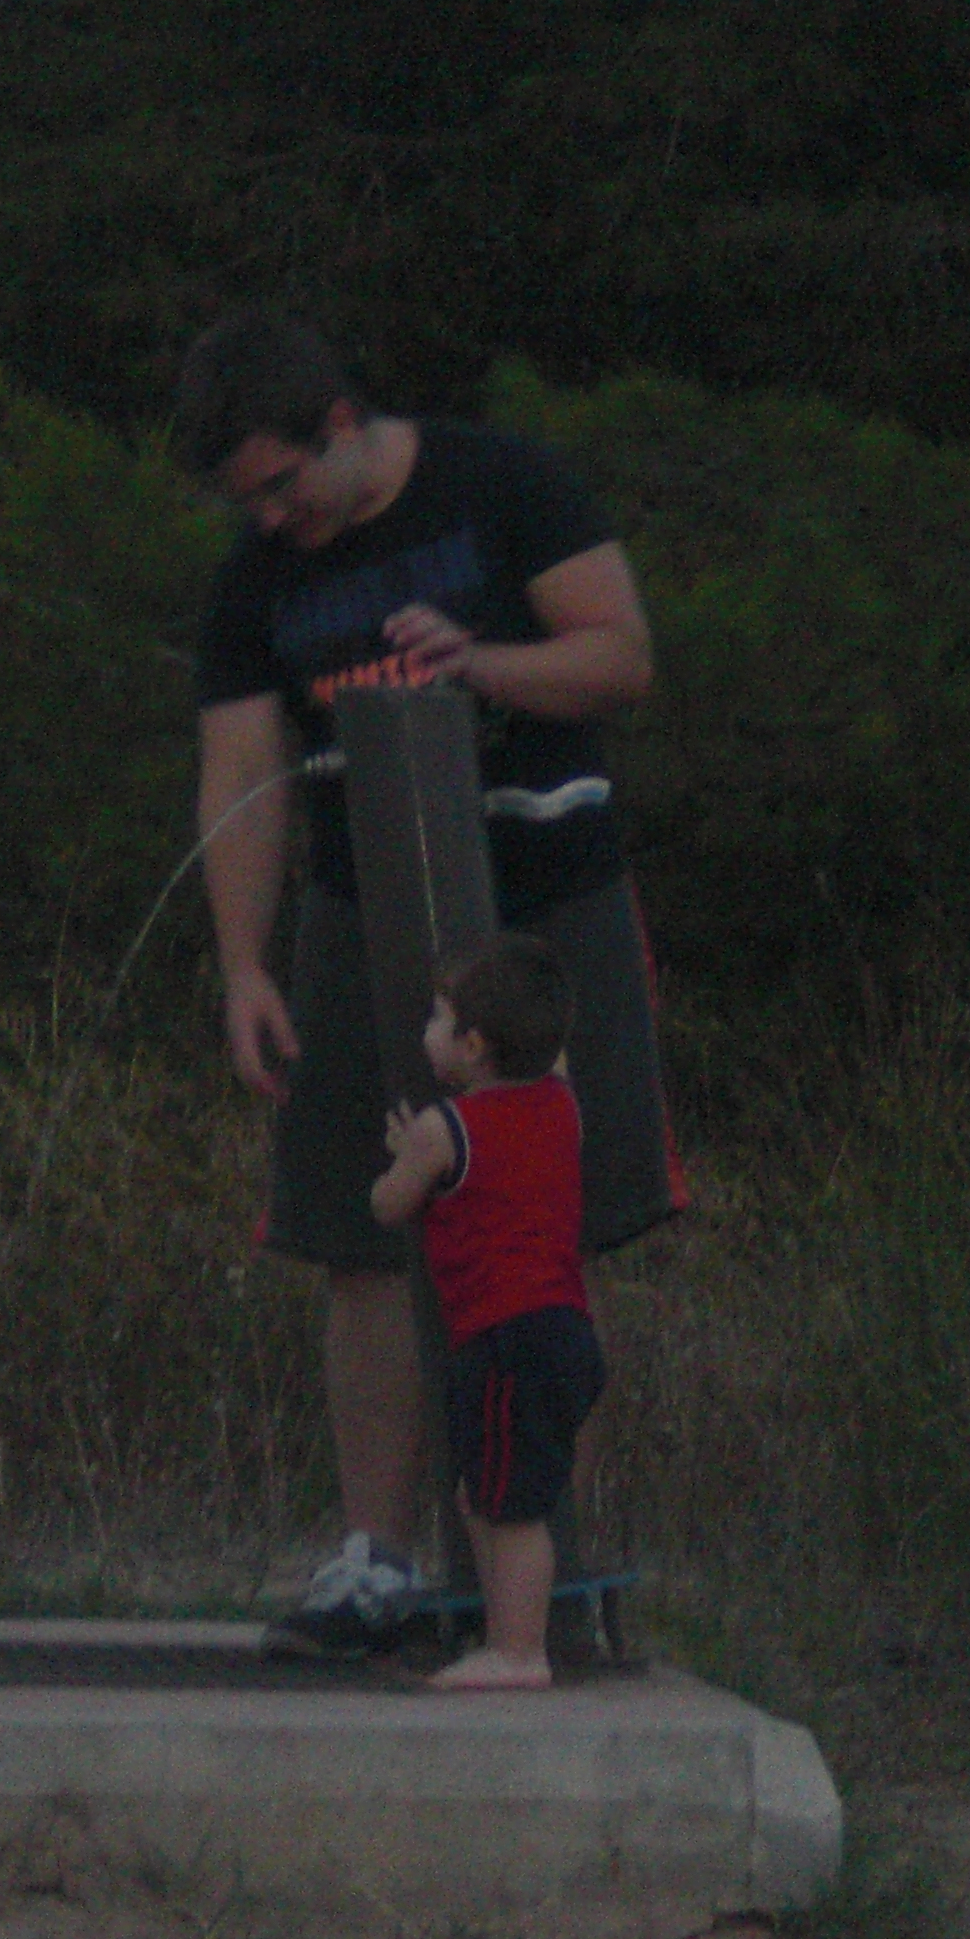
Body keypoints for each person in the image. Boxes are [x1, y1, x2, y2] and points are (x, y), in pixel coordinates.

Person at [178, 307, 679, 1655]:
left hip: (543, 896)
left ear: (342, 425)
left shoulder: (501, 484)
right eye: (247, 501)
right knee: (362, 1229)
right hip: (369, 915)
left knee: (545, 1224)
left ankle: (539, 1559)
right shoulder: (256, 580)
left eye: (285, 485)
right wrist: (244, 966)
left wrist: (482, 664)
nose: (272, 518)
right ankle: (375, 1562)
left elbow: (621, 654)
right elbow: (242, 774)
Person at [371, 939, 606, 1690]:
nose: (428, 1030)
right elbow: (552, 1057)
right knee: (485, 1494)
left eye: (440, 1019)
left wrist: (403, 1155)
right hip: (561, 1327)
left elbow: (388, 1205)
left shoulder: (445, 1129)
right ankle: (506, 1635)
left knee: (513, 1511)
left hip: (509, 1336)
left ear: (472, 1046)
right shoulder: (562, 1105)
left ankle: (519, 1651)